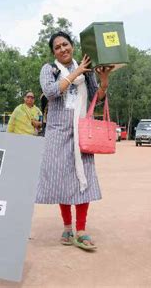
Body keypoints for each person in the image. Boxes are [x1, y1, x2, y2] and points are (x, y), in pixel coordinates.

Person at [35, 31, 113, 251]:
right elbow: (50, 92)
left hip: (82, 132)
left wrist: (104, 81)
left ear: (72, 46)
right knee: (61, 179)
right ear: (53, 52)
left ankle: (81, 230)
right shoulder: (48, 70)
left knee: (82, 179)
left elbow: (96, 101)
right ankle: (67, 227)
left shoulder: (87, 71)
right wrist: (76, 72)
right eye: (57, 47)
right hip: (58, 133)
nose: (63, 49)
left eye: (65, 44)